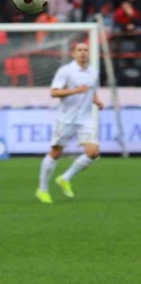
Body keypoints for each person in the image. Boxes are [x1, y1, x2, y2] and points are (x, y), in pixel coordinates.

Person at [36, 42, 104, 204]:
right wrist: (75, 90)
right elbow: (54, 92)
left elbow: (91, 90)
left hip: (85, 119)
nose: (83, 53)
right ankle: (42, 189)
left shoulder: (93, 72)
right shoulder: (66, 71)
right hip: (66, 119)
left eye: (86, 50)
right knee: (56, 153)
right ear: (73, 53)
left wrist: (97, 101)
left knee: (93, 152)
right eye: (79, 50)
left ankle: (64, 178)